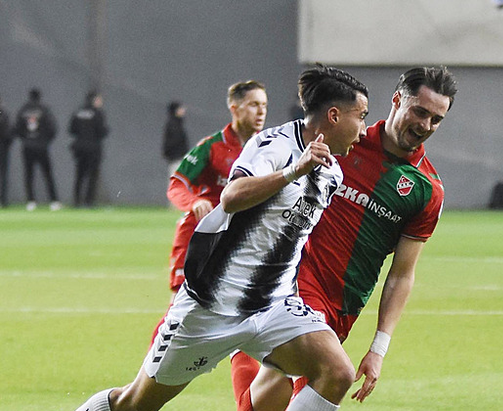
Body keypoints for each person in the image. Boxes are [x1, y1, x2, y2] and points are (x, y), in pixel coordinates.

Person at [73, 64, 369, 411]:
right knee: (134, 403)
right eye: (361, 116)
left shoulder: (333, 173)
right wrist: (294, 171)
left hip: (274, 308)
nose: (364, 129)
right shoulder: (273, 144)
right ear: (334, 116)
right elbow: (231, 196)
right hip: (213, 307)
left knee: (337, 372)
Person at [228, 66, 456, 411]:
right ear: (397, 100)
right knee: (309, 375)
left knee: (279, 393)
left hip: (343, 308)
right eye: (420, 112)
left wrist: (378, 349)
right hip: (295, 282)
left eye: (436, 120)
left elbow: (402, 274)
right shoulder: (345, 141)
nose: (425, 125)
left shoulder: (427, 190)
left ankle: (238, 352)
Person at [148, 80, 268, 343]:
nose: (261, 111)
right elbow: (177, 184)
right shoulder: (212, 146)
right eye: (253, 105)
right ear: (234, 108)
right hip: (199, 238)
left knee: (246, 319)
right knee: (179, 311)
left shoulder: (268, 149)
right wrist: (194, 202)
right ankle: (150, 369)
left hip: (241, 243)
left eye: (264, 105)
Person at [13, 88, 61, 211]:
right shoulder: (44, 109)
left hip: (27, 146)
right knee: (47, 174)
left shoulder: (23, 110)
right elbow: (52, 128)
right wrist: (45, 141)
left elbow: (17, 128)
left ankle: (31, 201)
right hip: (42, 147)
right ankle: (54, 201)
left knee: (29, 174)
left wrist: (25, 139)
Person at [68, 91, 109, 208]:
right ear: (94, 100)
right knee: (92, 175)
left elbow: (71, 129)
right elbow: (101, 131)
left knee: (79, 175)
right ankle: (89, 201)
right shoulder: (97, 113)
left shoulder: (78, 112)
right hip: (93, 148)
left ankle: (76, 201)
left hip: (79, 148)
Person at [162, 101, 189, 178]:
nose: (183, 110)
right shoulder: (174, 125)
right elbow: (175, 141)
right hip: (177, 159)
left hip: (176, 158)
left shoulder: (175, 124)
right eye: (180, 108)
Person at [0, 94, 12, 207]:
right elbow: (8, 132)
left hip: (3, 146)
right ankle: (3, 201)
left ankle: (3, 200)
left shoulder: (4, 113)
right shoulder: (4, 114)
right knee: (3, 174)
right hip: (2, 147)